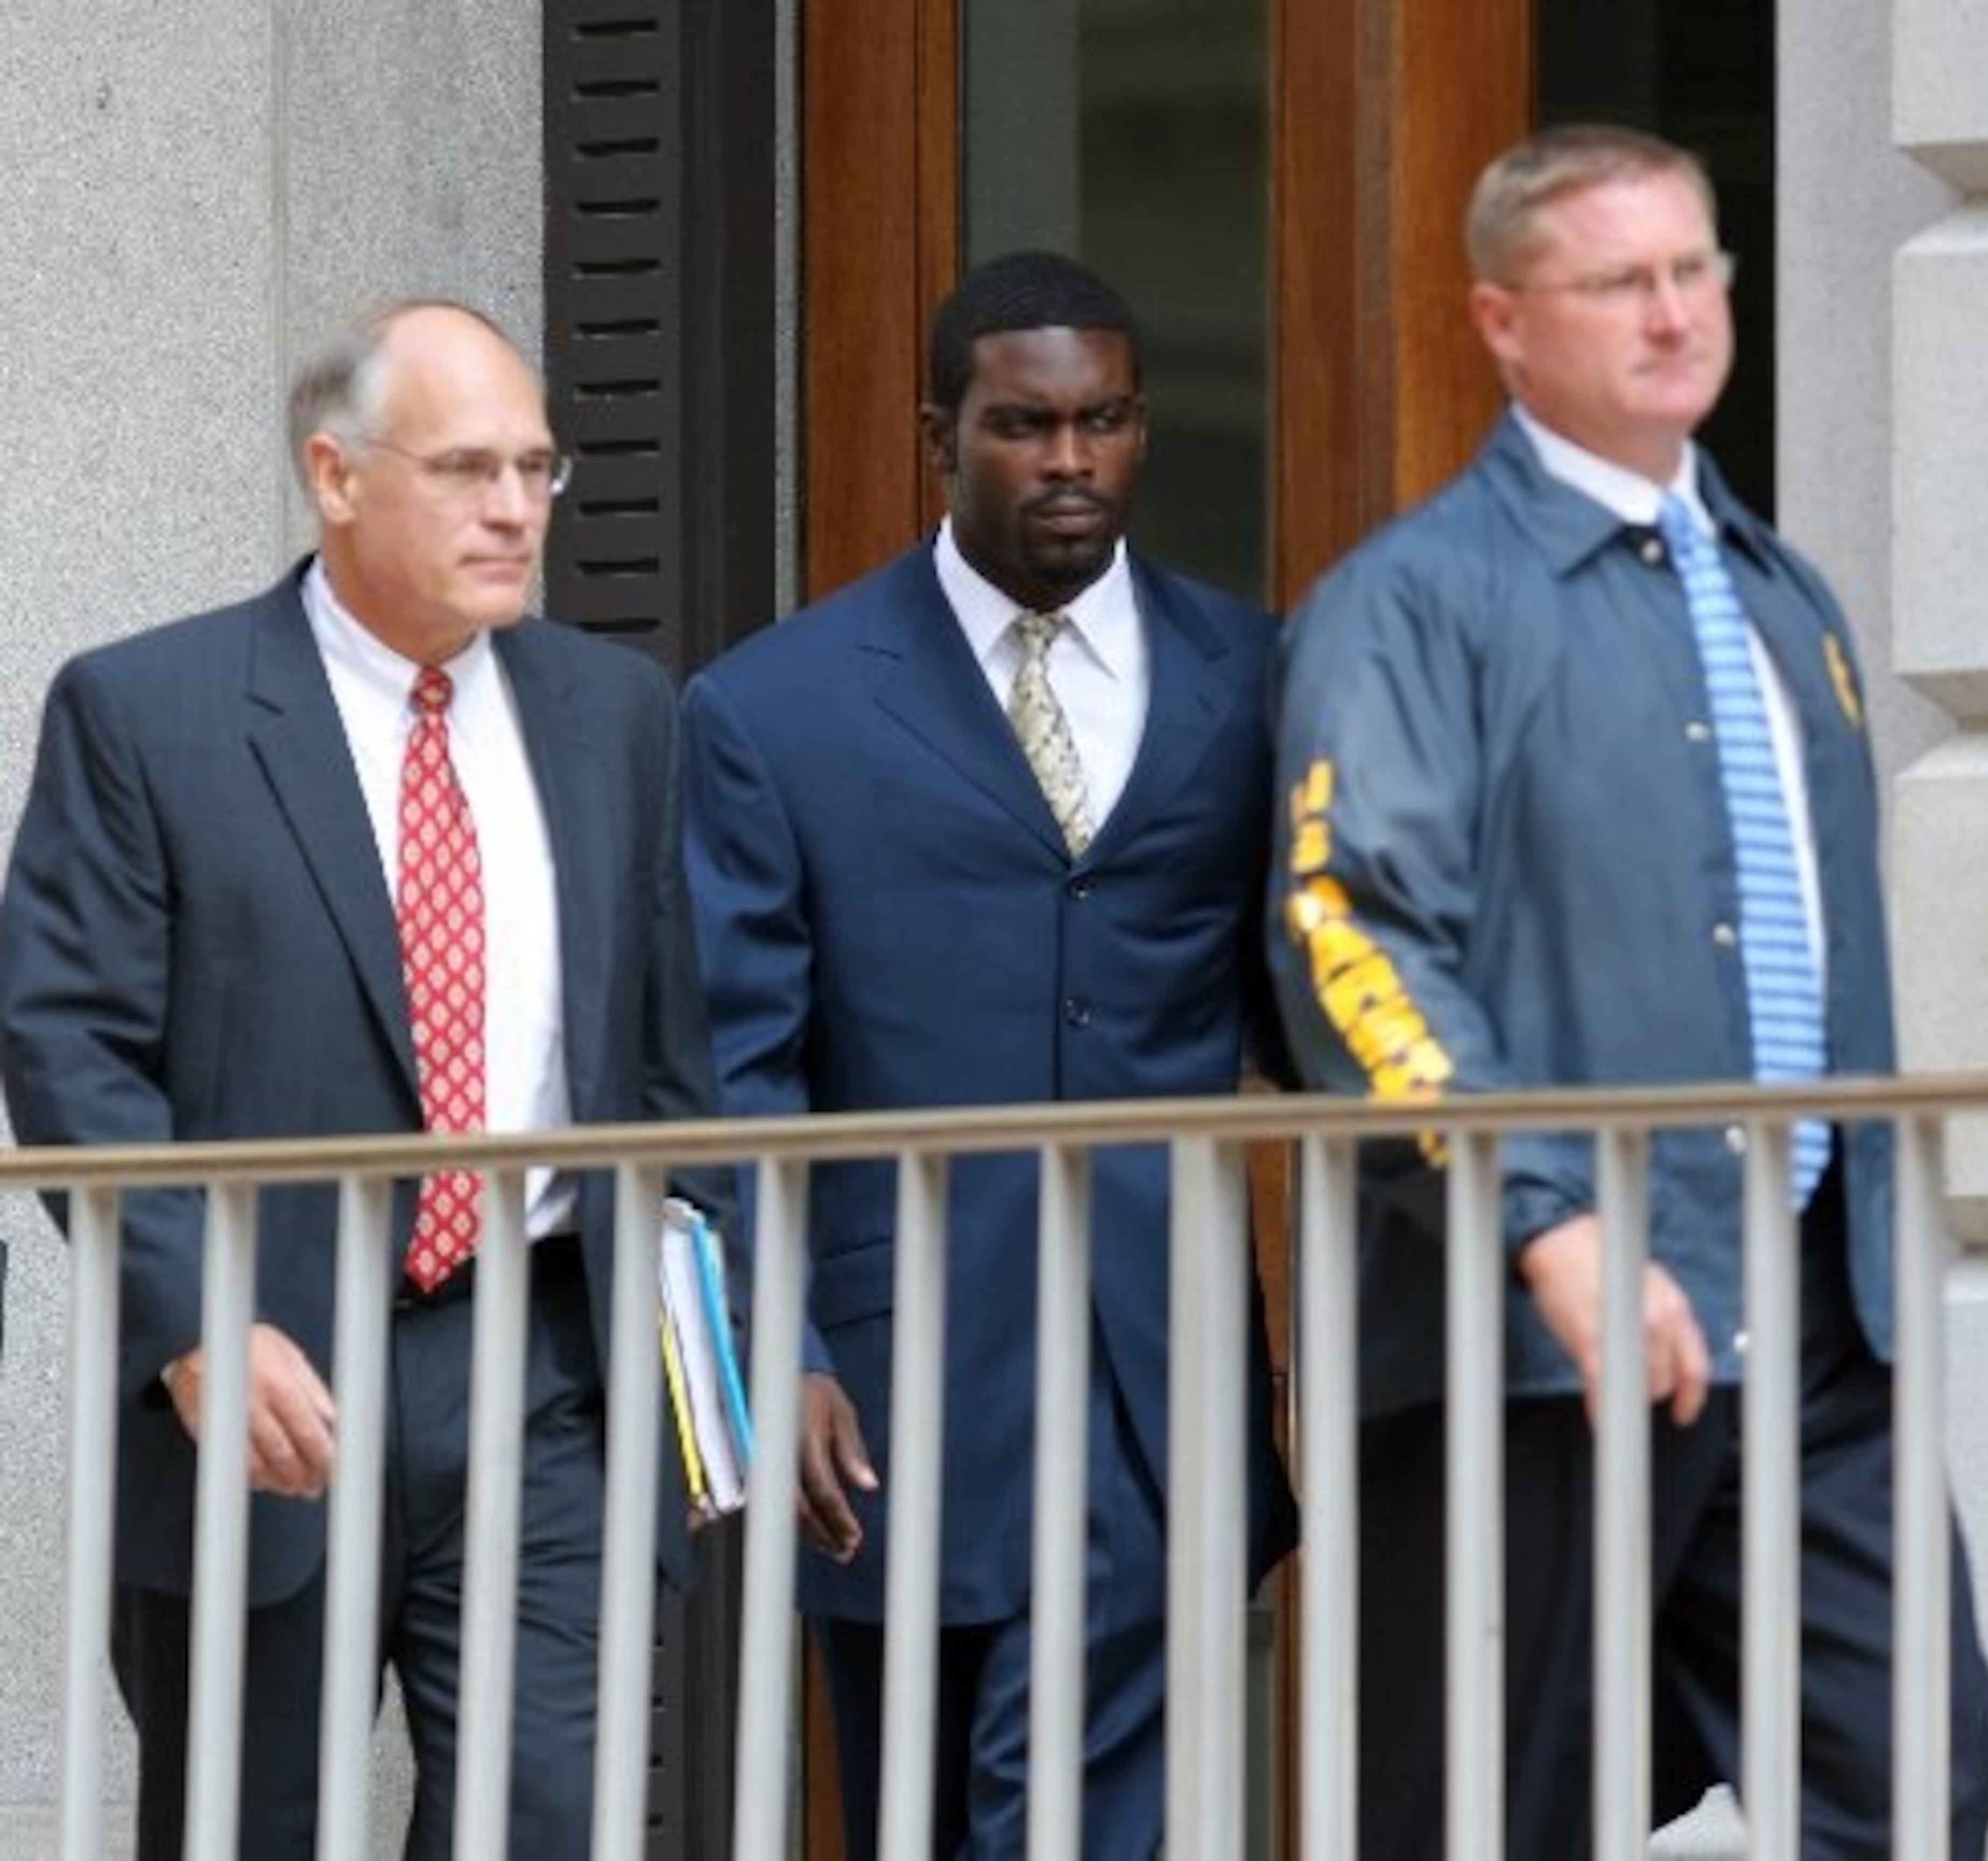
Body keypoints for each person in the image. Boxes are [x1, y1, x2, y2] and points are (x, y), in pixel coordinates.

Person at [1269, 125, 1988, 1857]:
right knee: (1485, 1818)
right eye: (1620, 282)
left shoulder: (1778, 591)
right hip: (1533, 1339)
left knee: (1918, 1779)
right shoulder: (1410, 604)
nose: (1674, 315)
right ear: (1506, 322)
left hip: (1817, 1325)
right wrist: (1550, 1219)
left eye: (1696, 271)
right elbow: (1353, 934)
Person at [0, 299, 730, 1857]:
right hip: (273, 1382)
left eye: (539, 467)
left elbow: (671, 1063)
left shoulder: (616, 717)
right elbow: (70, 1052)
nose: (518, 509)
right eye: (469, 468)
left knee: (554, 1826)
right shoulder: (148, 714)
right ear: (334, 477)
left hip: (548, 1379)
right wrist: (193, 1321)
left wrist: (689, 1362)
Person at [681, 250, 1297, 1859]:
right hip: (893, 1386)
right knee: (920, 1808)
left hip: (1155, 1379)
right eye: (1027, 425)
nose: (1074, 461)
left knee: (1084, 1808)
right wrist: (778, 1343)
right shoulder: (773, 706)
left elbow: (1310, 1000)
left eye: (1106, 422)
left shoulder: (1256, 676)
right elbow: (738, 1063)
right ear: (937, 434)